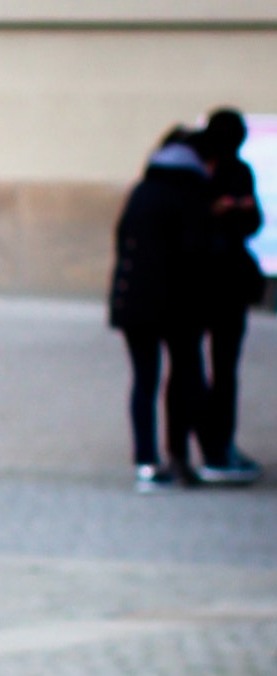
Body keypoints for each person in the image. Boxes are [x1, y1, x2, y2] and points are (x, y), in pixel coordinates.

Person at [109, 127, 215, 491]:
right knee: (183, 378)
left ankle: (145, 462)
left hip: (135, 303)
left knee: (144, 380)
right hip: (176, 305)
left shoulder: (143, 189)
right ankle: (179, 455)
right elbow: (196, 252)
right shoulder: (191, 194)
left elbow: (122, 239)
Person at [197, 108, 264, 484]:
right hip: (211, 280)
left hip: (220, 280)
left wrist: (235, 211)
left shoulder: (235, 171)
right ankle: (213, 444)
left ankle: (216, 443)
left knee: (220, 368)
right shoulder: (204, 173)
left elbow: (253, 220)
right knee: (217, 369)